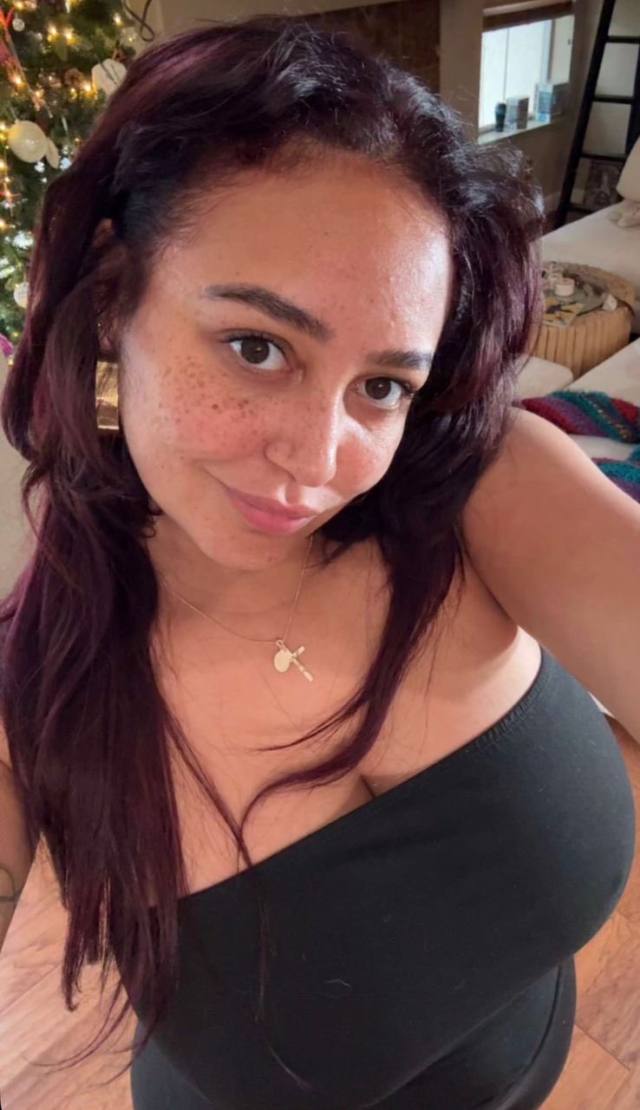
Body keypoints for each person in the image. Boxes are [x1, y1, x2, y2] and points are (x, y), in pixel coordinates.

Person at [0, 15, 635, 1110]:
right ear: (111, 298)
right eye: (257, 347)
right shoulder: (34, 691)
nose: (319, 459)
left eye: (382, 385)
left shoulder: (485, 490)